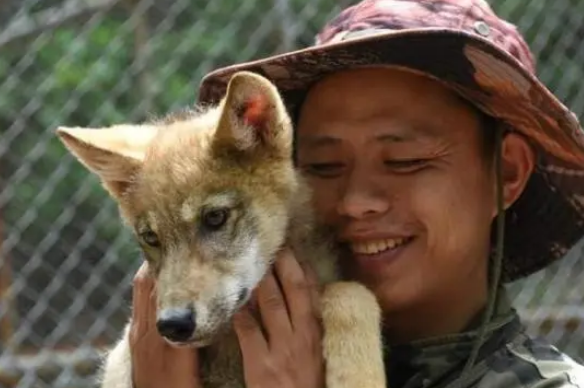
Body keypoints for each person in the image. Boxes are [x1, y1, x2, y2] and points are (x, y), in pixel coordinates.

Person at [127, 0, 584, 387]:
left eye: (406, 161)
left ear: (505, 172)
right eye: (322, 166)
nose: (355, 201)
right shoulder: (179, 348)